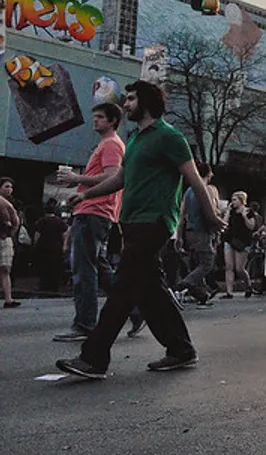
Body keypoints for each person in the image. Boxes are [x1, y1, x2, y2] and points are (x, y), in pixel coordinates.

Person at [56, 80, 223, 380]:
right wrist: (85, 193)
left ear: (145, 102)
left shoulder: (170, 138)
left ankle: (93, 358)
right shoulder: (135, 139)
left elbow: (196, 181)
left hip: (155, 221)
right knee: (149, 291)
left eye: (131, 99)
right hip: (130, 222)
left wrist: (211, 216)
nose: (126, 104)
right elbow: (120, 179)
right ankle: (181, 349)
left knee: (122, 286)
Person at [51, 104, 126, 335]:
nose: (95, 121)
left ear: (113, 121)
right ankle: (133, 309)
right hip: (93, 210)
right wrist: (77, 181)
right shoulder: (106, 144)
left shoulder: (112, 144)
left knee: (84, 269)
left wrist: (78, 177)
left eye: (101, 117)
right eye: (94, 116)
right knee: (99, 268)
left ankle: (85, 324)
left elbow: (113, 176)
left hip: (95, 210)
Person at [175, 161, 219, 308]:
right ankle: (183, 285)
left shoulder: (188, 191)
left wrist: (179, 236)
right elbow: (211, 211)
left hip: (190, 231)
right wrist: (217, 226)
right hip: (203, 231)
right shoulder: (207, 190)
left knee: (197, 263)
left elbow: (182, 215)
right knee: (207, 263)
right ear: (209, 173)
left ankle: (202, 295)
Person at [220, 191, 256, 299]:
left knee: (239, 268)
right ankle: (229, 292)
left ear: (241, 200)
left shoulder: (248, 211)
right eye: (232, 199)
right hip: (230, 239)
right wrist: (227, 212)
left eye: (235, 199)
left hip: (242, 241)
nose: (233, 202)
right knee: (229, 266)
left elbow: (251, 226)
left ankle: (248, 285)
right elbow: (224, 224)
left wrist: (245, 217)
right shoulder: (231, 211)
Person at [0, 177, 22, 308]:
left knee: (5, 269)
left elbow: (16, 221)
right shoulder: (6, 204)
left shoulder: (12, 203)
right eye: (6, 186)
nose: (9, 190)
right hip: (4, 235)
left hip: (6, 238)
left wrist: (11, 232)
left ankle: (8, 299)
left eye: (10, 187)